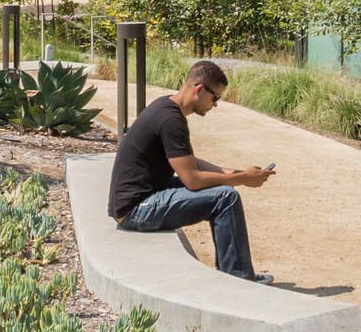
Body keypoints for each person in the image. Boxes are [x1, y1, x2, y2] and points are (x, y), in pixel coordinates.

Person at [107, 59, 274, 280]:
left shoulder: (166, 107)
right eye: (215, 98)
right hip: (136, 210)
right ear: (199, 89)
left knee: (224, 189)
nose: (215, 105)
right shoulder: (171, 120)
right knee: (226, 198)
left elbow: (190, 162)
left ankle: (235, 272)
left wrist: (233, 173)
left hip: (141, 198)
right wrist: (243, 179)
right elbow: (193, 180)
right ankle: (238, 278)